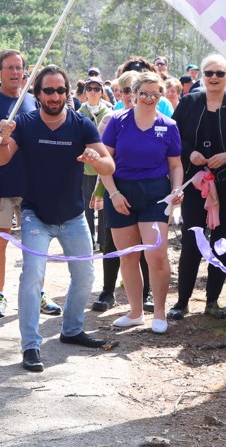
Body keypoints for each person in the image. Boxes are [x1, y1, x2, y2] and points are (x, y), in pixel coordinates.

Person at [0, 65, 116, 372]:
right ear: (37, 94)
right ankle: (31, 346)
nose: (55, 96)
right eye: (48, 90)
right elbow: (1, 158)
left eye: (61, 90)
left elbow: (109, 165)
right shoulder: (24, 122)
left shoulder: (81, 124)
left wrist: (95, 159)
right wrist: (4, 137)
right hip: (36, 214)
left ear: (67, 93)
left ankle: (71, 330)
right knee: (32, 276)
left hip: (73, 215)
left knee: (86, 276)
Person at [0, 49, 61, 319]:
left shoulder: (33, 102)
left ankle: (38, 292)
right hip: (1, 185)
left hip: (31, 186)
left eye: (19, 67)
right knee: (0, 239)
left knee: (35, 243)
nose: (15, 72)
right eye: (10, 67)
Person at [168, 55, 226, 320]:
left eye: (219, 73)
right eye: (208, 73)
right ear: (202, 76)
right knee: (192, 241)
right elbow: (174, 137)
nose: (213, 77)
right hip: (195, 183)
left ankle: (212, 301)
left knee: (222, 243)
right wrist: (189, 152)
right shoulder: (189, 103)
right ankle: (182, 302)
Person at [101, 71, 184, 334]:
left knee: (156, 255)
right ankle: (135, 312)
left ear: (161, 96)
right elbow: (105, 164)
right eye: (144, 93)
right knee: (128, 256)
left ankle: (159, 313)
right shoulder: (117, 121)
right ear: (133, 94)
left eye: (155, 94)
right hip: (121, 193)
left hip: (155, 194)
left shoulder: (169, 125)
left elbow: (176, 165)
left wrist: (176, 189)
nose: (149, 98)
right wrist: (113, 193)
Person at [90, 70, 152, 313]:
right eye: (125, 90)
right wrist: (101, 193)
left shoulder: (157, 119)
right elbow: (103, 163)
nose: (129, 95)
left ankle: (146, 293)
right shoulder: (110, 120)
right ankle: (108, 292)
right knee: (111, 244)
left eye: (133, 90)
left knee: (146, 244)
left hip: (147, 192)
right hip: (114, 190)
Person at [78, 77, 112, 249]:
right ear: (85, 92)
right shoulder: (78, 113)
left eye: (97, 89)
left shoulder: (110, 112)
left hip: (105, 167)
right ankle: (88, 242)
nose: (93, 91)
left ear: (102, 92)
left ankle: (104, 241)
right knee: (87, 207)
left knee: (105, 206)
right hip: (86, 168)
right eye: (89, 88)